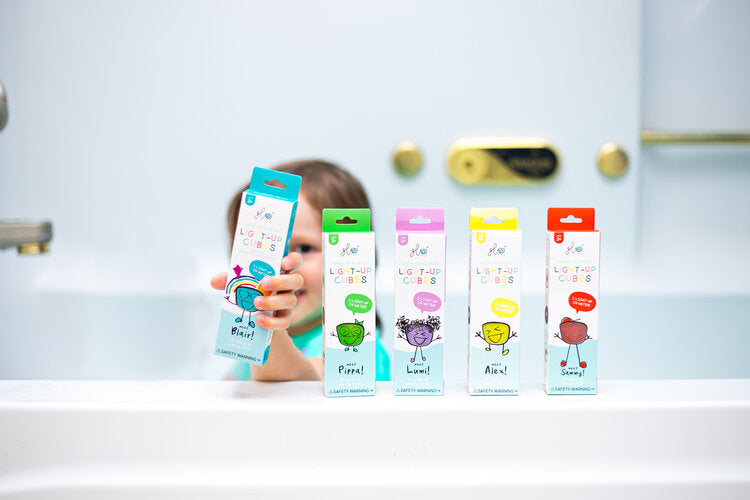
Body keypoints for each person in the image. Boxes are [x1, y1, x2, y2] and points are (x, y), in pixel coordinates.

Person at [210, 159, 391, 382]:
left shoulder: (360, 350)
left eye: (304, 248)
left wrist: (268, 323)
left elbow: (300, 384)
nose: (280, 266)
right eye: (265, 249)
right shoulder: (242, 354)